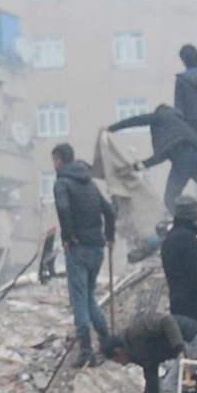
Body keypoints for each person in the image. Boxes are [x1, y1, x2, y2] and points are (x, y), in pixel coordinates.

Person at [48, 142, 115, 353]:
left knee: (79, 298)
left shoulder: (62, 184)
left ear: (59, 159)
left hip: (78, 249)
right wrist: (110, 236)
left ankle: (86, 351)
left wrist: (68, 237)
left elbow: (63, 208)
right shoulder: (89, 183)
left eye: (54, 160)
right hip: (98, 248)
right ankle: (105, 340)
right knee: (88, 295)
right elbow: (109, 211)